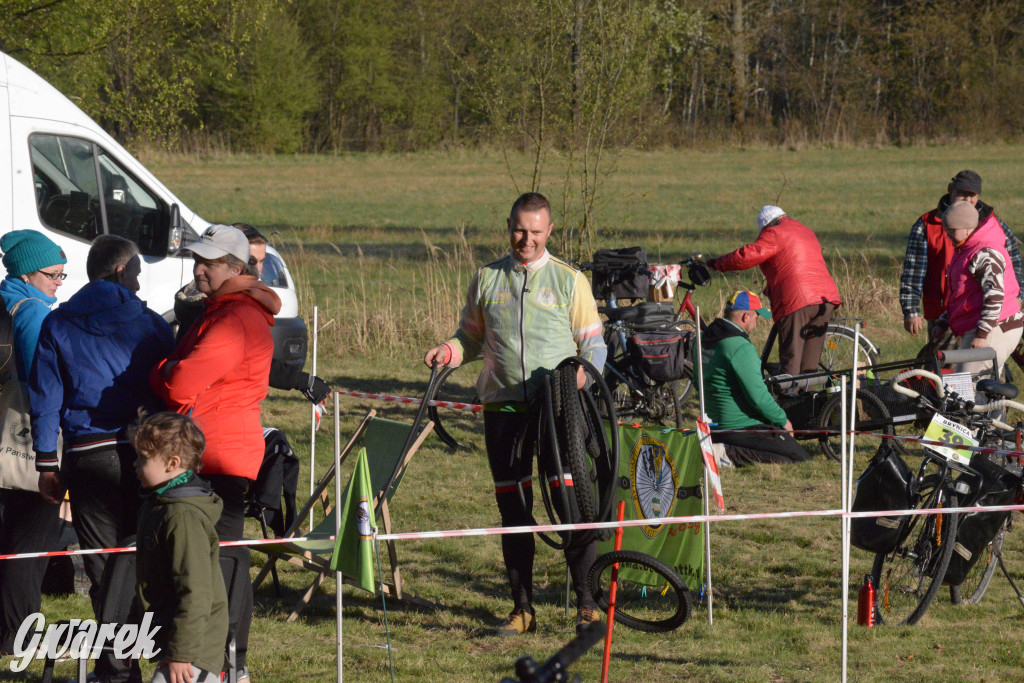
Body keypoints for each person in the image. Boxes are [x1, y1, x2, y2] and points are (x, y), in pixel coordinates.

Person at [423, 192, 607, 636]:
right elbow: (469, 337)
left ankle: (587, 601)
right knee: (514, 509)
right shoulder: (486, 277)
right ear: (509, 225)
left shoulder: (569, 280)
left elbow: (594, 345)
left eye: (536, 232)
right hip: (502, 407)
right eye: (520, 230)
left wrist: (582, 378)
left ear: (550, 232)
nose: (526, 239)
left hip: (558, 409)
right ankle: (521, 608)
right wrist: (449, 350)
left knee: (569, 502)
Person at [28, 235, 173, 680]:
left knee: (103, 564)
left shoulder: (59, 324)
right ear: (120, 271)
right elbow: (169, 388)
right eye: (138, 273)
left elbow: (45, 399)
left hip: (87, 456)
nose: (141, 281)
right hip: (143, 452)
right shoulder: (150, 324)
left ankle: (116, 667)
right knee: (144, 560)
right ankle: (153, 655)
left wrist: (45, 463)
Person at [150, 224, 281, 681]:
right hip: (215, 446)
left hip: (218, 454)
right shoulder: (221, 310)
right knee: (213, 557)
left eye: (209, 262)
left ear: (235, 267)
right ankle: (223, 660)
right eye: (196, 259)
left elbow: (180, 382)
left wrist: (162, 370)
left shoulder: (234, 319)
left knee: (219, 560)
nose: (198, 268)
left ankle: (225, 663)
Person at [0, 230, 67, 654]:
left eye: (63, 274)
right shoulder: (33, 313)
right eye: (53, 274)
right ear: (27, 274)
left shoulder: (5, 300)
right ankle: (18, 640)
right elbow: (40, 385)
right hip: (25, 447)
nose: (60, 282)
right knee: (27, 549)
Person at [173, 223, 331, 403]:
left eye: (263, 261)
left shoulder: (236, 303)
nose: (259, 269)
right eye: (253, 261)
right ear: (236, 263)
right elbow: (183, 381)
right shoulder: (215, 306)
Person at [132, 412, 228, 683]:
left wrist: (182, 653)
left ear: (173, 463)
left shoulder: (182, 517)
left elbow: (195, 591)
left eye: (143, 458)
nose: (136, 464)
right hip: (176, 642)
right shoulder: (158, 506)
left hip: (193, 649)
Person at [707, 206, 841, 376]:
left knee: (791, 358)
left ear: (767, 226)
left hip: (798, 300)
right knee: (809, 362)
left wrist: (718, 264)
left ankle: (789, 399)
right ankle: (808, 398)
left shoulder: (775, 233)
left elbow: (748, 255)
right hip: (826, 298)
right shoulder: (805, 230)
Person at [900, 170, 1023, 337]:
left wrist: (1019, 296)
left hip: (989, 313)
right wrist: (911, 310)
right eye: (962, 194)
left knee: (986, 361)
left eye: (973, 196)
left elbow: (1012, 259)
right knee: (942, 363)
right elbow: (913, 272)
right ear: (951, 189)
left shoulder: (992, 222)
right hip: (943, 314)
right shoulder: (926, 224)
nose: (968, 200)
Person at [700, 290, 812, 467]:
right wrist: (783, 420)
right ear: (746, 316)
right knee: (798, 457)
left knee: (785, 454)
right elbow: (758, 397)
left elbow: (696, 381)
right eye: (756, 318)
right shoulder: (740, 347)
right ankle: (726, 454)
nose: (756, 322)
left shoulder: (703, 338)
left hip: (711, 424)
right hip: (739, 425)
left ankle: (721, 447)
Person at [932, 201, 1024, 391]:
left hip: (994, 327)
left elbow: (995, 296)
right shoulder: (965, 250)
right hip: (984, 326)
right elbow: (963, 296)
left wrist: (982, 334)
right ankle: (993, 420)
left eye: (951, 229)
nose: (947, 234)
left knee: (969, 388)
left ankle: (982, 421)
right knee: (982, 389)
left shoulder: (985, 253)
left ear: (967, 229)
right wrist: (944, 321)